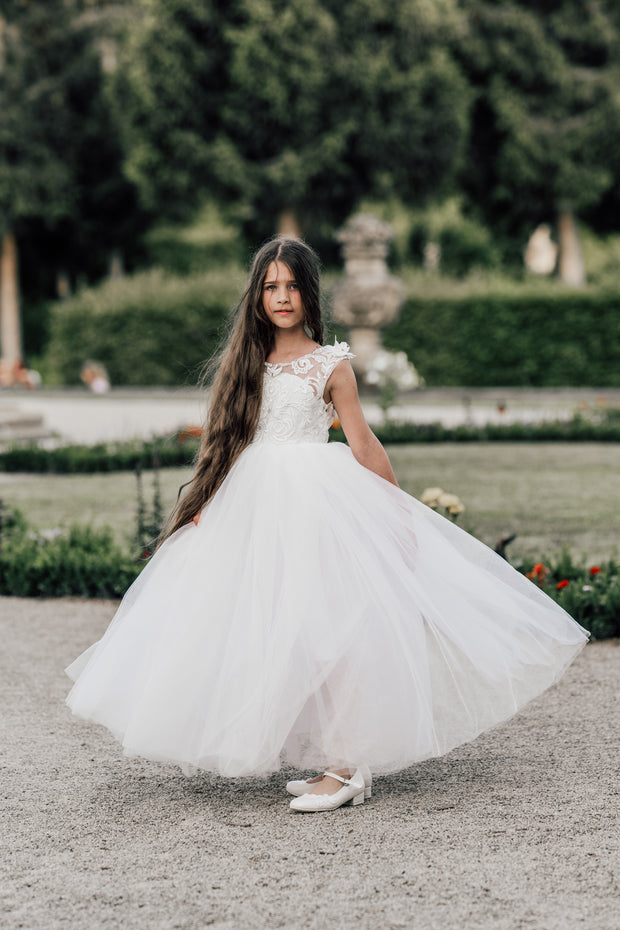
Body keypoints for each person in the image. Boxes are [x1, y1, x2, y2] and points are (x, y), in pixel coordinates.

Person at [66, 237, 588, 813]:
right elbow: (226, 445)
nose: (281, 297)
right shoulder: (244, 365)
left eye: (292, 286)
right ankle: (342, 761)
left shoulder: (330, 363)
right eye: (271, 287)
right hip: (253, 507)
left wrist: (396, 513)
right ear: (257, 295)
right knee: (275, 628)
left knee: (331, 632)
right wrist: (204, 506)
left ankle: (346, 767)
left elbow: (364, 444)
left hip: (316, 504)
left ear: (308, 293)